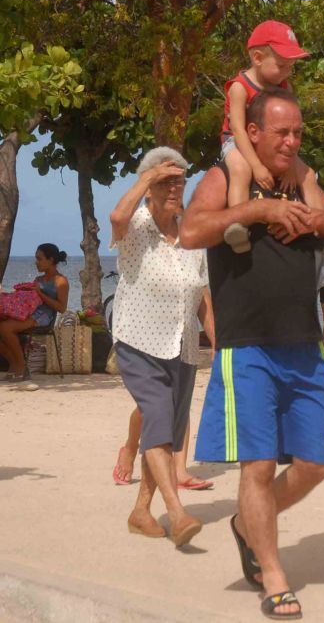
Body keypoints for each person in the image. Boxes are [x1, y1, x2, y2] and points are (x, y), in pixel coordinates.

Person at [181, 88, 324, 620]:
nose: (291, 141)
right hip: (247, 349)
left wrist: (318, 220)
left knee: (316, 463)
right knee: (257, 467)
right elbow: (191, 231)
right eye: (281, 132)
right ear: (252, 133)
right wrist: (259, 208)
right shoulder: (223, 177)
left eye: (298, 133)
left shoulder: (306, 182)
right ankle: (273, 574)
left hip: (305, 348)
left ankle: (246, 524)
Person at [109, 146, 215, 548]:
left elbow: (202, 294)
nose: (175, 187)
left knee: (167, 428)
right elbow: (116, 217)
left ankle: (140, 512)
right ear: (150, 185)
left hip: (183, 344)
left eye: (179, 180)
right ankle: (176, 512)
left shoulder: (191, 232)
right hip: (138, 340)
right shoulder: (135, 225)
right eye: (166, 180)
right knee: (156, 414)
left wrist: (218, 342)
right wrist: (146, 179)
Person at [220, 19, 310, 254]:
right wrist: (257, 166)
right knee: (241, 170)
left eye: (290, 66)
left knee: (307, 174)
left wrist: (290, 165)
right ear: (258, 58)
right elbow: (238, 129)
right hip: (237, 140)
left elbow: (292, 128)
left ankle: (316, 222)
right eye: (281, 65)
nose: (286, 72)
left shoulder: (284, 88)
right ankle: (237, 223)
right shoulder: (239, 87)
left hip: (271, 144)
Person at [0, 244, 69, 381]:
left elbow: (61, 308)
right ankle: (14, 364)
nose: (36, 262)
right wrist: (23, 292)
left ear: (50, 260)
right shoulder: (38, 280)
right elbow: (31, 300)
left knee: (5, 328)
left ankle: (21, 365)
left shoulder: (61, 281)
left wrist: (39, 293)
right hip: (30, 312)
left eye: (39, 259)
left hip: (45, 316)